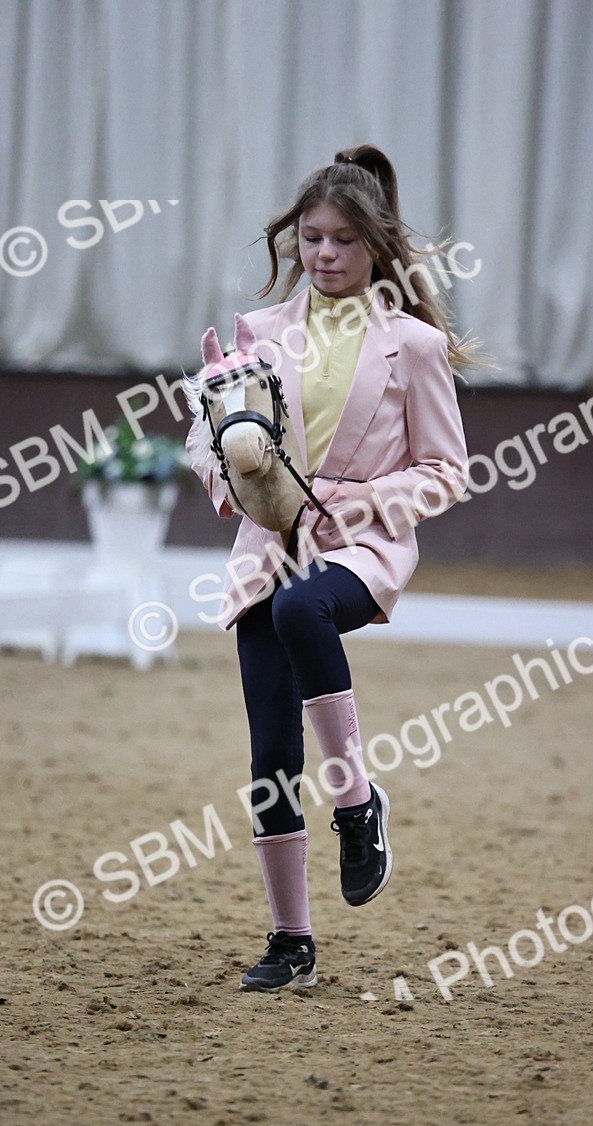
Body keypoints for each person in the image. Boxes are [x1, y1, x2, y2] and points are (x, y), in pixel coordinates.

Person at [186, 143, 476, 992]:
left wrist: (367, 503)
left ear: (376, 247)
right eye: (311, 237)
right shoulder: (261, 336)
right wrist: (232, 478)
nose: (322, 254)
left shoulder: (413, 345)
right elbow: (207, 436)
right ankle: (291, 942)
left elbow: (448, 471)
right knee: (269, 759)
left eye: (343, 240)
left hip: (364, 542)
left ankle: (357, 804)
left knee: (301, 610)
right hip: (266, 546)